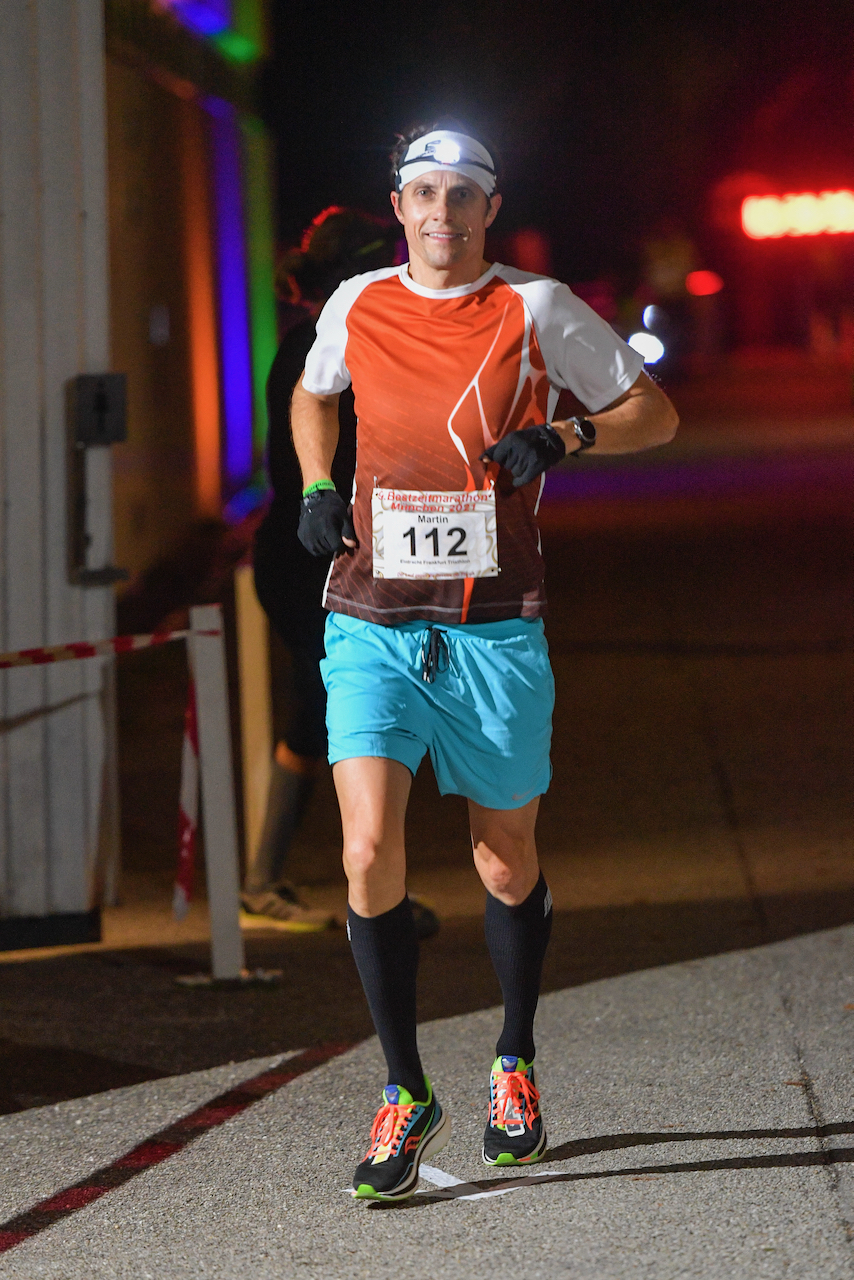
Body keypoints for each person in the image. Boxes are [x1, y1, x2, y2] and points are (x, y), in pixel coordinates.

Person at [291, 122, 678, 1200]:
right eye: (424, 191)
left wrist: (563, 438)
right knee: (367, 848)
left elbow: (651, 409)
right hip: (369, 616)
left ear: (487, 209)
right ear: (398, 201)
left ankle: (514, 1055)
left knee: (503, 858)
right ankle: (404, 1088)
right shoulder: (357, 302)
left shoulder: (535, 307)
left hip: (493, 622)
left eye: (463, 194)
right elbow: (313, 392)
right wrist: (320, 486)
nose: (443, 212)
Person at [246, 208, 442, 939]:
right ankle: (366, 896)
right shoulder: (321, 348)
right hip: (313, 563)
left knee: (328, 718)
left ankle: (272, 880)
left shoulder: (347, 340)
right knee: (362, 721)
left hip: (329, 558)